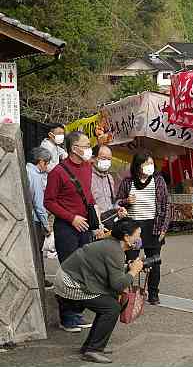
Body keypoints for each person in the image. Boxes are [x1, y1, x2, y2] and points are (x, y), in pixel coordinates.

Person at [54, 217, 144, 364]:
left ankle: (90, 347)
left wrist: (127, 269)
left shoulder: (112, 245)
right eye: (138, 235)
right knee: (111, 308)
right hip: (70, 283)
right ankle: (93, 350)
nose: (140, 238)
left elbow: (108, 270)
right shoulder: (115, 250)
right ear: (127, 237)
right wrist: (133, 271)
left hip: (71, 277)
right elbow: (118, 285)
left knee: (108, 304)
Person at [44, 131, 100, 332]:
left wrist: (96, 219)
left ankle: (77, 312)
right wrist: (71, 218)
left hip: (85, 226)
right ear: (74, 148)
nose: (88, 148)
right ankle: (66, 317)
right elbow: (48, 201)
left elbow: (87, 195)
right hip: (66, 228)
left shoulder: (87, 167)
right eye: (85, 144)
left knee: (85, 270)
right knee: (70, 272)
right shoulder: (57, 172)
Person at [116, 150, 170, 305]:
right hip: (133, 228)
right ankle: (129, 293)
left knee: (154, 261)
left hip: (153, 226)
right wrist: (126, 201)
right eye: (146, 164)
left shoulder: (158, 181)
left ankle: (153, 293)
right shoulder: (128, 182)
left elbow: (166, 205)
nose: (149, 167)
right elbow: (117, 203)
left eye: (151, 163)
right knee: (131, 260)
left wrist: (163, 229)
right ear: (138, 166)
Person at [26, 146, 53, 287]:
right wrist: (46, 225)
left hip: (26, 218)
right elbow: (38, 205)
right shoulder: (35, 175)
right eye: (46, 163)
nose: (46, 166)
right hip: (35, 220)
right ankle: (40, 280)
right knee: (37, 252)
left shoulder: (25, 170)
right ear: (41, 161)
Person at [91, 145, 116, 215]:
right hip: (95, 221)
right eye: (103, 158)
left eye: (109, 159)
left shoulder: (109, 178)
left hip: (109, 219)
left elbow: (112, 201)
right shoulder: (87, 177)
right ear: (93, 158)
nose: (107, 162)